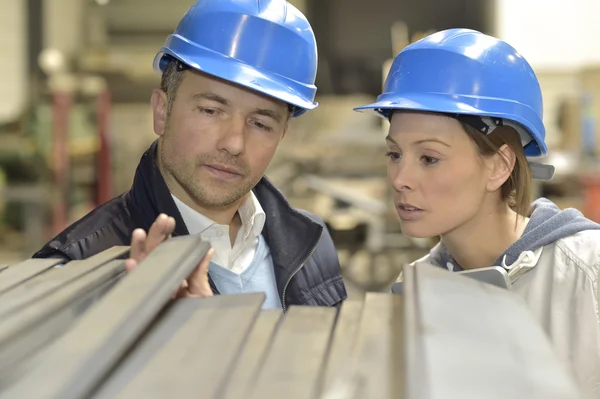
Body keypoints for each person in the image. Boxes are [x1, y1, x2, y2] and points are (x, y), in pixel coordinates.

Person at [33, 0, 347, 310]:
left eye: (261, 123)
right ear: (161, 111)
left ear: (282, 134)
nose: (234, 143)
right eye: (211, 111)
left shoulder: (312, 245)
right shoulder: (77, 271)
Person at [354, 28, 600, 397]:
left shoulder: (587, 273)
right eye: (394, 154)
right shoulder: (416, 289)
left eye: (429, 158)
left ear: (499, 166)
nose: (401, 178)